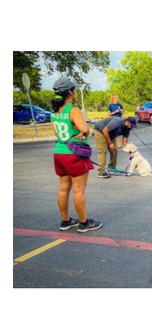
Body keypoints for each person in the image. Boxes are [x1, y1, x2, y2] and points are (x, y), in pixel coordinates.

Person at [50, 77, 102, 233]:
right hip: (73, 153)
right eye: (75, 90)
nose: (76, 93)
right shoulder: (73, 109)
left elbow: (56, 132)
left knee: (63, 188)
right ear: (71, 92)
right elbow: (85, 129)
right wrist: (84, 132)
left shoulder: (54, 111)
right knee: (79, 190)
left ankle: (65, 221)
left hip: (59, 152)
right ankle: (84, 223)